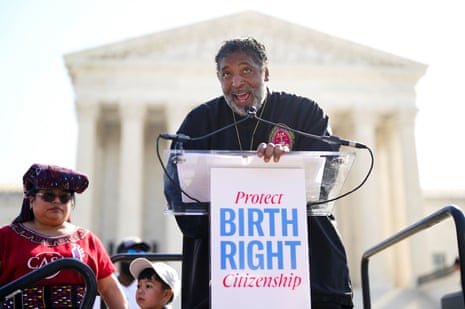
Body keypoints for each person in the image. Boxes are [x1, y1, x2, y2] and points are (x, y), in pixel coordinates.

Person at [163, 37, 353, 308]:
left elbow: (325, 182)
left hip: (310, 279)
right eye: (226, 74)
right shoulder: (199, 123)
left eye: (246, 70)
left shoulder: (304, 113)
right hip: (224, 281)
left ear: (265, 72)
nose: (236, 82)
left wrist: (288, 166)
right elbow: (178, 194)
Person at [0, 163, 128, 309]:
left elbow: (110, 289)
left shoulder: (88, 240)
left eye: (64, 197)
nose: (56, 201)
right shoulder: (6, 237)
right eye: (48, 196)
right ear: (31, 200)